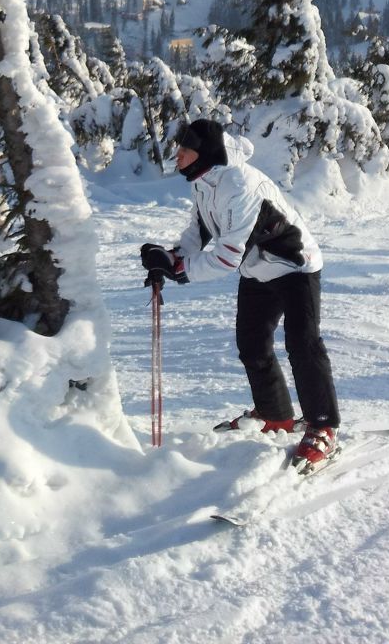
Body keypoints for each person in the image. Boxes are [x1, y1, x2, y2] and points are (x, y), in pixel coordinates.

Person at [140, 118, 340, 472]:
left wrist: (182, 271)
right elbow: (199, 229)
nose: (177, 155)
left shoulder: (240, 186)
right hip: (258, 269)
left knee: (302, 343)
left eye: (184, 150)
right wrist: (174, 256)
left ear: (204, 154)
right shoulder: (204, 182)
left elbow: (227, 256)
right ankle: (276, 415)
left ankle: (323, 426)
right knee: (252, 344)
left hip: (295, 266)